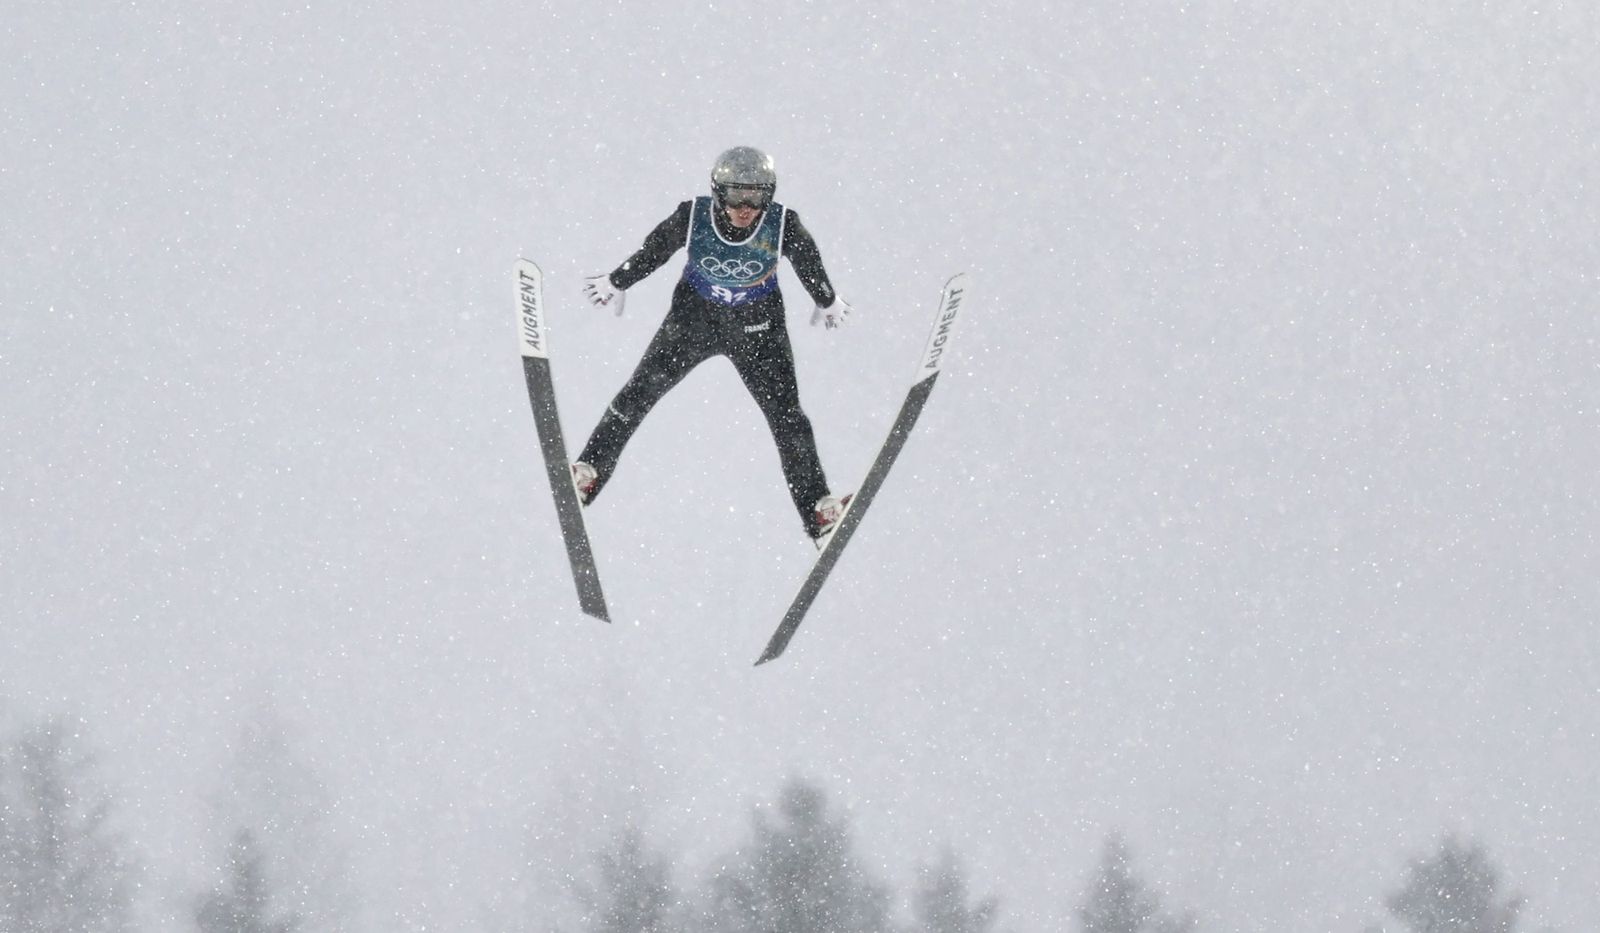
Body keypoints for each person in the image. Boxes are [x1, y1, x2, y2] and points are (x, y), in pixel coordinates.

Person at [572, 146, 854, 542]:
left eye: (755, 197)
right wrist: (618, 280)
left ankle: (816, 510)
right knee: (637, 394)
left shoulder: (783, 223)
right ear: (718, 192)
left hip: (758, 329)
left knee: (788, 417)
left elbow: (808, 261)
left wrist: (826, 299)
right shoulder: (693, 216)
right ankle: (588, 473)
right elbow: (655, 250)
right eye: (736, 195)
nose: (744, 207)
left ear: (768, 195)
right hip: (694, 321)